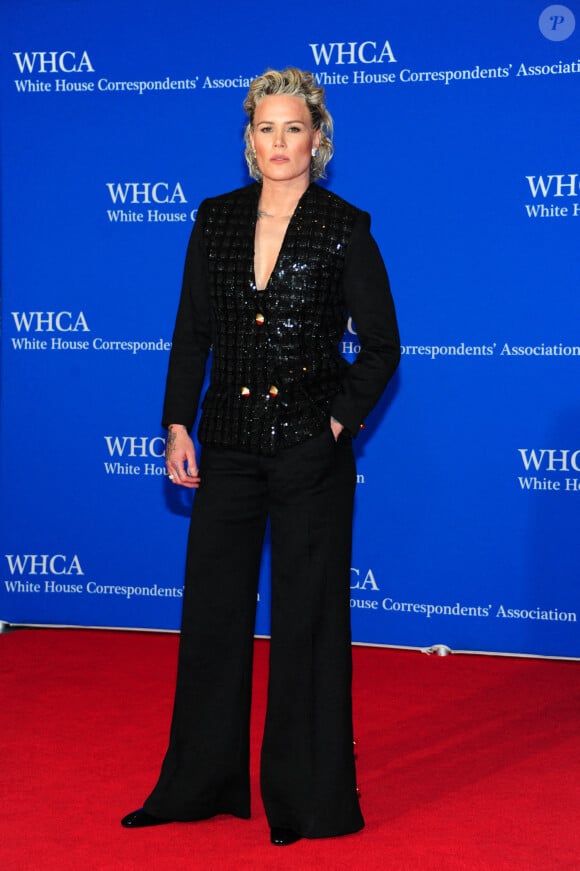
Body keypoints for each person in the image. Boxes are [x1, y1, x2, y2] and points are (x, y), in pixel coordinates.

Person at [121, 67, 400, 847]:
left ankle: (307, 801)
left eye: (293, 129)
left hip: (311, 450)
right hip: (228, 450)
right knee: (212, 615)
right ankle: (197, 785)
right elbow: (192, 333)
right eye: (265, 129)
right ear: (249, 141)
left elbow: (382, 345)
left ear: (319, 139)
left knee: (307, 622)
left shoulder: (345, 226)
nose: (279, 143)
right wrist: (178, 423)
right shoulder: (213, 220)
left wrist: (338, 425)